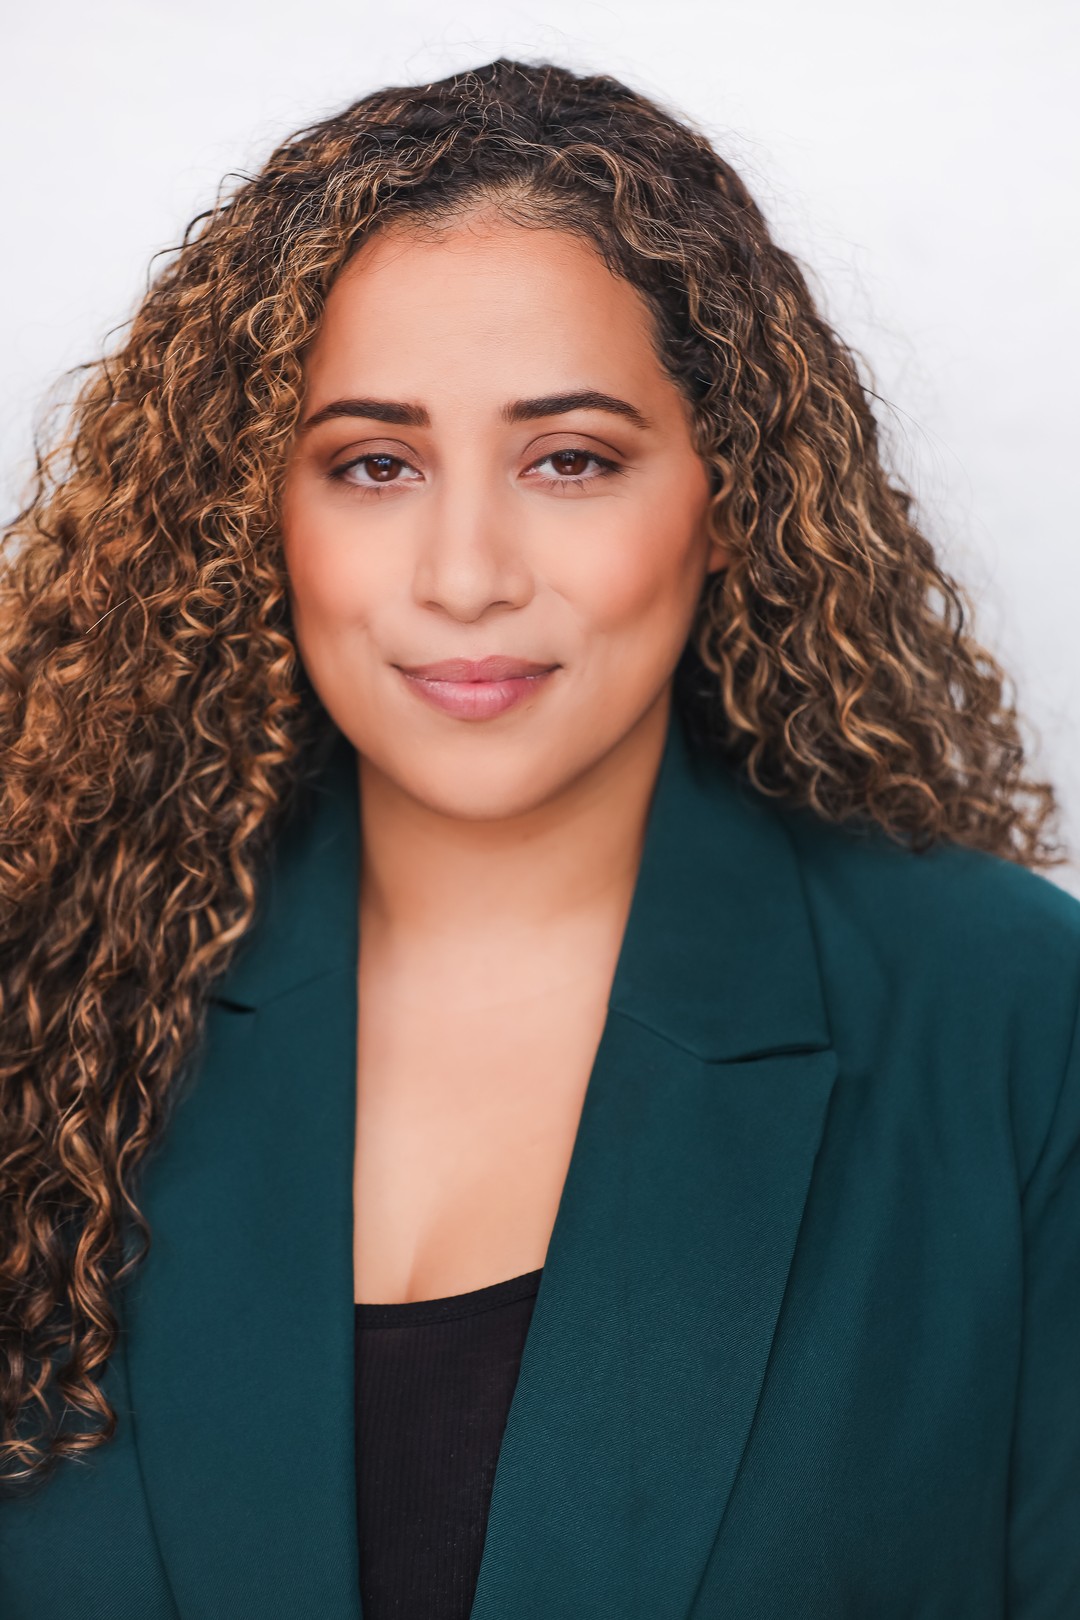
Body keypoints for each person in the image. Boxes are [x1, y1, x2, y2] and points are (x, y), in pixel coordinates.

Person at [0, 54, 1077, 1620]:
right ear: (256, 515)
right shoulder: (46, 1008)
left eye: (570, 459)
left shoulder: (1011, 1022)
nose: (466, 574)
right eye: (374, 464)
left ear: (730, 496)